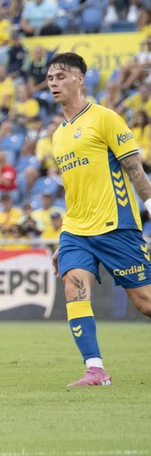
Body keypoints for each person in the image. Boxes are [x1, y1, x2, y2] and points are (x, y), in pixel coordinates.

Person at [43, 53, 151, 387]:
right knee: (73, 287)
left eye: (61, 76)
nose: (54, 83)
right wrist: (64, 238)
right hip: (76, 230)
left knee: (145, 302)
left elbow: (134, 168)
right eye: (50, 78)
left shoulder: (105, 118)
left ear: (79, 79)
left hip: (115, 226)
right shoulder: (58, 135)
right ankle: (95, 369)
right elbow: (73, 189)